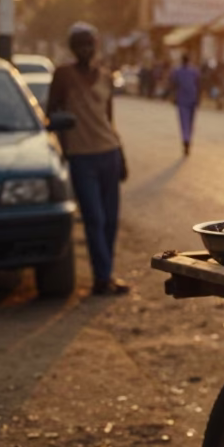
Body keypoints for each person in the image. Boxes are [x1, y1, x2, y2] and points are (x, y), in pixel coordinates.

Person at [47, 23, 131, 296]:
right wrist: (63, 148)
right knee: (93, 218)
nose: (85, 50)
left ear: (95, 47)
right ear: (73, 49)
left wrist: (121, 155)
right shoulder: (63, 75)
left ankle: (105, 275)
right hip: (81, 158)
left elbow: (109, 120)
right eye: (80, 45)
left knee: (110, 219)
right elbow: (52, 114)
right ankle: (102, 276)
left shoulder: (106, 77)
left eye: (89, 45)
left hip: (108, 153)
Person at [170, 54, 201, 156]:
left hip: (182, 100)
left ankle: (185, 138)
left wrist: (173, 96)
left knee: (184, 122)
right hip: (192, 99)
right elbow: (199, 84)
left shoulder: (177, 72)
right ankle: (188, 139)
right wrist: (198, 98)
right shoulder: (194, 71)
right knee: (191, 122)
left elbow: (173, 84)